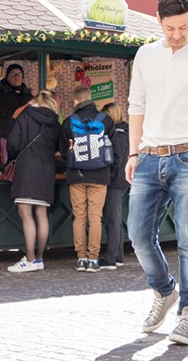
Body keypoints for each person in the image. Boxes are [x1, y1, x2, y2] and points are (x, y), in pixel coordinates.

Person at [126, 0, 188, 345]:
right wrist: (132, 153)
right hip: (149, 155)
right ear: (158, 22)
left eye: (183, 27)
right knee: (137, 234)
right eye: (171, 28)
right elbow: (135, 105)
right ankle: (164, 290)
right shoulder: (145, 55)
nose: (177, 34)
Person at [60, 86, 115, 273]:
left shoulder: (69, 121)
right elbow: (113, 149)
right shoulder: (106, 120)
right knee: (95, 218)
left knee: (80, 218)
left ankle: (81, 258)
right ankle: (93, 260)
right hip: (100, 175)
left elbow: (62, 151)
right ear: (90, 99)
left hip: (76, 175)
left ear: (76, 102)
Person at [6, 91, 61, 273]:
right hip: (47, 169)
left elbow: (12, 143)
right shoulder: (55, 122)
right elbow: (58, 147)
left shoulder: (24, 115)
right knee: (41, 213)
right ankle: (39, 258)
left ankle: (29, 259)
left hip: (26, 167)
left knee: (26, 212)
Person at [100, 102, 129, 270]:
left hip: (115, 181)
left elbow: (115, 160)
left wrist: (108, 177)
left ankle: (111, 258)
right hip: (121, 180)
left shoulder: (117, 134)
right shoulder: (124, 131)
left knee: (112, 219)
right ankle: (118, 256)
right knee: (115, 219)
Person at [0, 63, 33, 153]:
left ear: (22, 78)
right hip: (4, 145)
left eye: (19, 74)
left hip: (25, 144)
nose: (16, 77)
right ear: (7, 77)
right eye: (13, 74)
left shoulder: (29, 97)